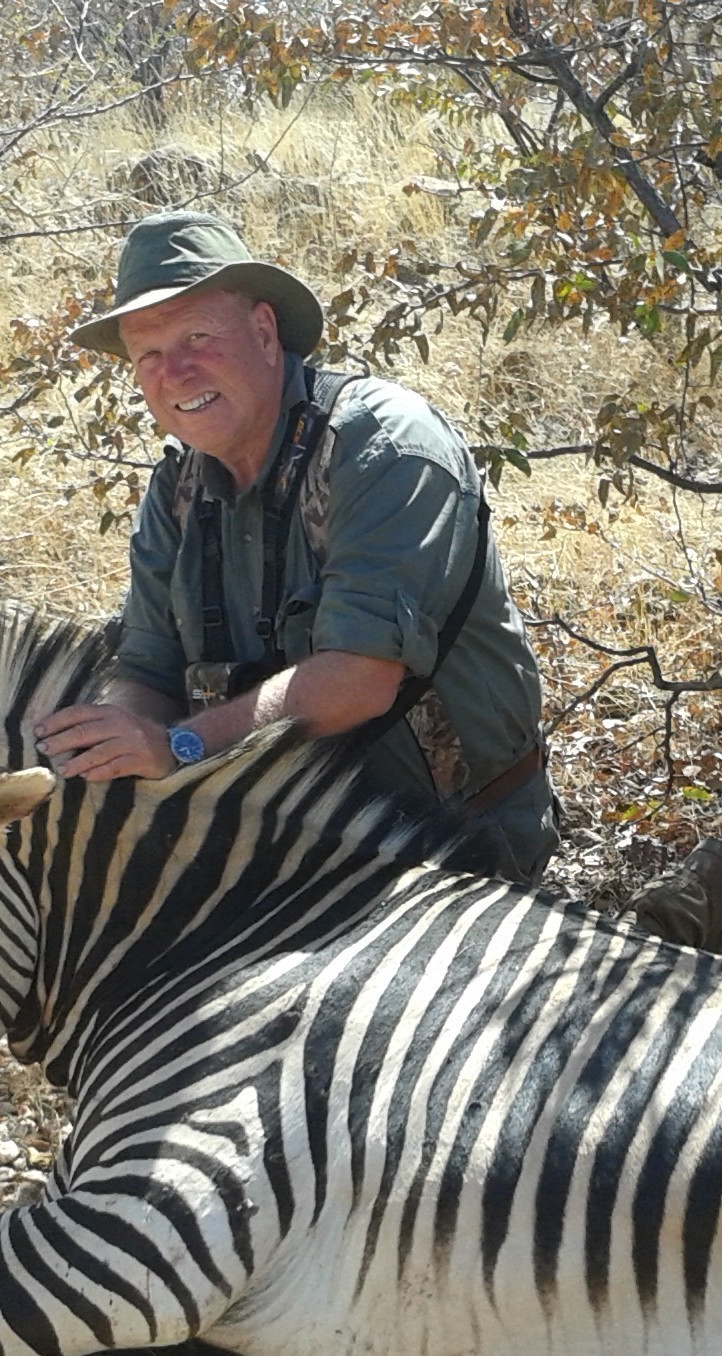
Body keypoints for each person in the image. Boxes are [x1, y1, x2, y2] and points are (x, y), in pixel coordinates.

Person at [34, 211, 560, 883]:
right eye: (151, 355)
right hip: (274, 842)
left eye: (197, 337)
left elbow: (359, 680)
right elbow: (145, 670)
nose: (177, 372)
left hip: (449, 847)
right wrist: (115, 746)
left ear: (263, 331)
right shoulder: (177, 485)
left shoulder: (383, 446)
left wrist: (179, 747)